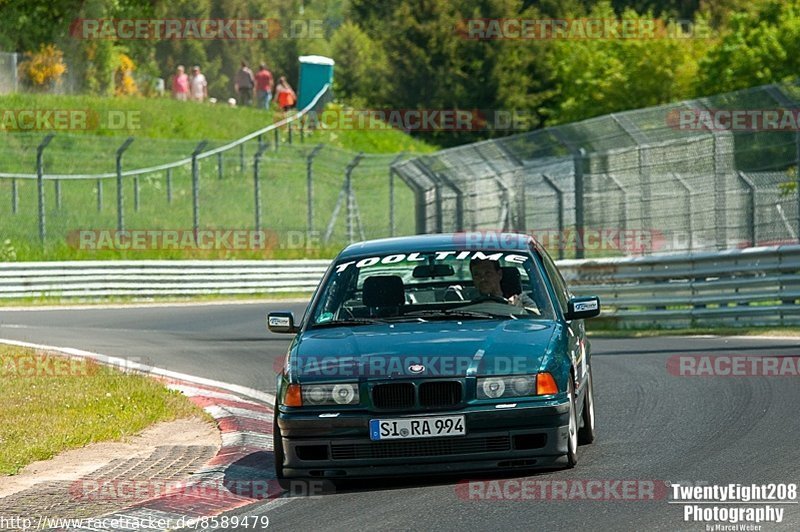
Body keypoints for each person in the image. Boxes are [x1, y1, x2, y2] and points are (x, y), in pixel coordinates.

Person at [469, 258, 538, 311]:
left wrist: (518, 309)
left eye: (488, 273)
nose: (483, 279)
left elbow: (537, 318)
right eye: (477, 275)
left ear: (499, 274)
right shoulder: (466, 300)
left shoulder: (520, 299)